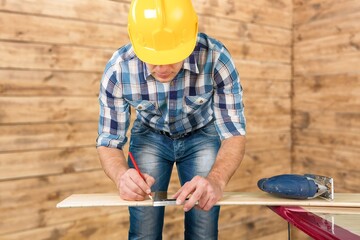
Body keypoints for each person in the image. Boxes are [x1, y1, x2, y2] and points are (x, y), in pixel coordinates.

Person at [96, 0, 246, 239]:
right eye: (153, 56)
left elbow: (234, 133)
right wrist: (121, 176)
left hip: (202, 134)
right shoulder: (118, 70)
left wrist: (216, 181)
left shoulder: (217, 59)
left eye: (173, 56)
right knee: (143, 230)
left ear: (191, 38)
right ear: (137, 41)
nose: (163, 66)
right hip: (149, 136)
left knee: (203, 227)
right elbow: (109, 141)